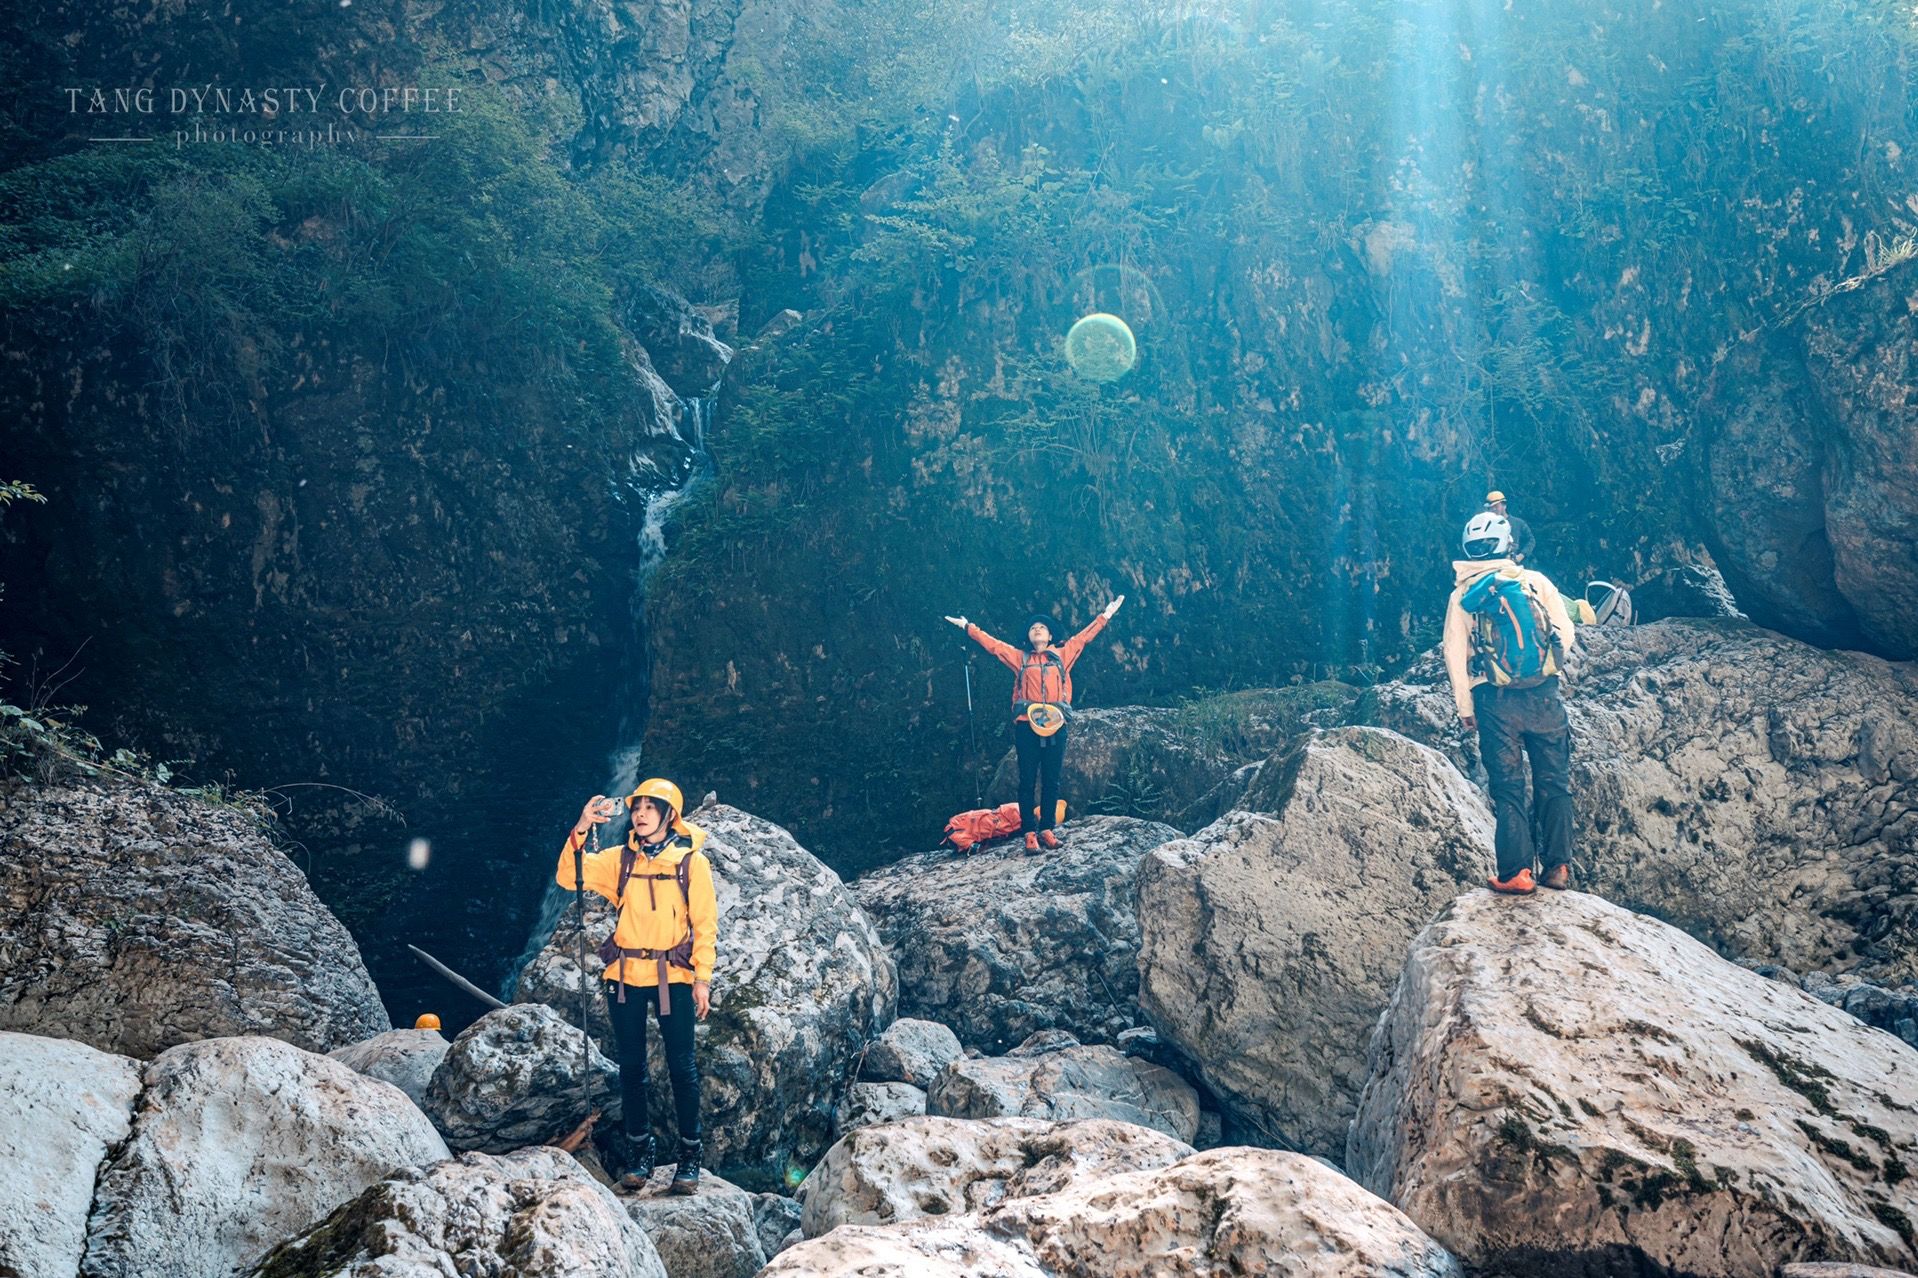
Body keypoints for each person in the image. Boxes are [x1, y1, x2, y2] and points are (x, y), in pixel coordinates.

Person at [559, 777, 717, 1194]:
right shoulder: (621, 860)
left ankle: (689, 1155)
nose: (641, 813)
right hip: (625, 977)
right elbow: (567, 875)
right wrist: (582, 825)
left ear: (670, 816)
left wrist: (702, 979)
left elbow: (705, 925)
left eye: (651, 807)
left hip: (674, 979)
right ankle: (639, 1154)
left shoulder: (690, 863)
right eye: (638, 807)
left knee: (682, 1068)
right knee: (631, 1069)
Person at [1442, 513, 1578, 895]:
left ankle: (1517, 873)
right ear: (1507, 544)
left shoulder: (1464, 595)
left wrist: (1464, 707)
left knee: (1509, 787)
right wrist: (1542, 670)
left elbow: (1454, 653)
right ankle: (1559, 868)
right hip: (1544, 695)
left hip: (1495, 700)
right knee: (1555, 781)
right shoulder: (1535, 582)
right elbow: (1564, 634)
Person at [944, 596, 1125, 854]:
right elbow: (994, 646)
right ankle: (1029, 833)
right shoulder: (1020, 658)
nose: (1037, 629)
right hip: (1027, 726)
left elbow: (1085, 637)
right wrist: (968, 627)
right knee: (1027, 780)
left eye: (1042, 627)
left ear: (1050, 635)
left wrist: (1105, 615)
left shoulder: (1063, 654)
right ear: (1028, 637)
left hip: (1056, 725)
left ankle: (1047, 830)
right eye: (1032, 628)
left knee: (1052, 780)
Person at [1485, 490, 1536, 564]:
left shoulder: (1518, 523)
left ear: (1504, 505)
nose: (1493, 509)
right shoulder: (1487, 526)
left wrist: (1521, 556)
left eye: (1496, 506)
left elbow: (1531, 540)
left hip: (1512, 565)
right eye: (1491, 507)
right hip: (1493, 564)